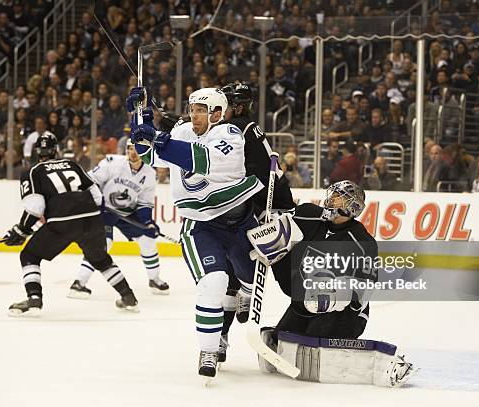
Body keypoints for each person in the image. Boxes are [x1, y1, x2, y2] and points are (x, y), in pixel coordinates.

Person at [128, 86, 263, 380]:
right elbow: (148, 156)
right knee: (213, 282)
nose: (195, 115)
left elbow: (199, 160)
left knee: (251, 280)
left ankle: (244, 290)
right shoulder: (183, 131)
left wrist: (157, 137)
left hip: (240, 224)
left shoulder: (230, 135)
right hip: (201, 226)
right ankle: (210, 349)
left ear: (218, 113)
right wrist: (138, 122)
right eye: (193, 109)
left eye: (202, 110)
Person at [249, 181, 416, 387]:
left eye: (339, 196)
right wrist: (269, 231)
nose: (331, 199)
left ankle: (386, 365)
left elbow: (364, 292)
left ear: (351, 207)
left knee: (313, 347)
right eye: (333, 194)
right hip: (306, 302)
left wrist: (337, 296)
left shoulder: (362, 242)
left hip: (345, 313)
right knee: (281, 341)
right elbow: (278, 216)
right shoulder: (308, 214)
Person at [3, 133, 139, 316]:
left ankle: (34, 297)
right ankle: (128, 297)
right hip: (91, 219)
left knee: (29, 255)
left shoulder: (33, 171)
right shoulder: (73, 165)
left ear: (37, 152)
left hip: (62, 222)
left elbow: (35, 207)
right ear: (56, 150)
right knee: (101, 259)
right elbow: (97, 197)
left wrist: (21, 229)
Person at [220, 81, 297, 363]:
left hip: (268, 212)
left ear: (238, 106)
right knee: (228, 277)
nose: (219, 109)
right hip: (251, 210)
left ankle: (303, 325)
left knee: (286, 280)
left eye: (224, 104)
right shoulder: (232, 129)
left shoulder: (243, 129)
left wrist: (268, 211)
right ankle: (221, 336)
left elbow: (266, 176)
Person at [68, 138, 169, 298]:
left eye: (136, 149)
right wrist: (96, 200)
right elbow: (89, 181)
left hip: (126, 212)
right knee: (103, 245)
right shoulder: (112, 162)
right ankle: (78, 283)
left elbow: (144, 203)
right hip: (103, 210)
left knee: (148, 239)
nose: (132, 152)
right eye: (129, 149)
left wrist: (147, 222)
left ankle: (154, 279)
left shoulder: (150, 174)